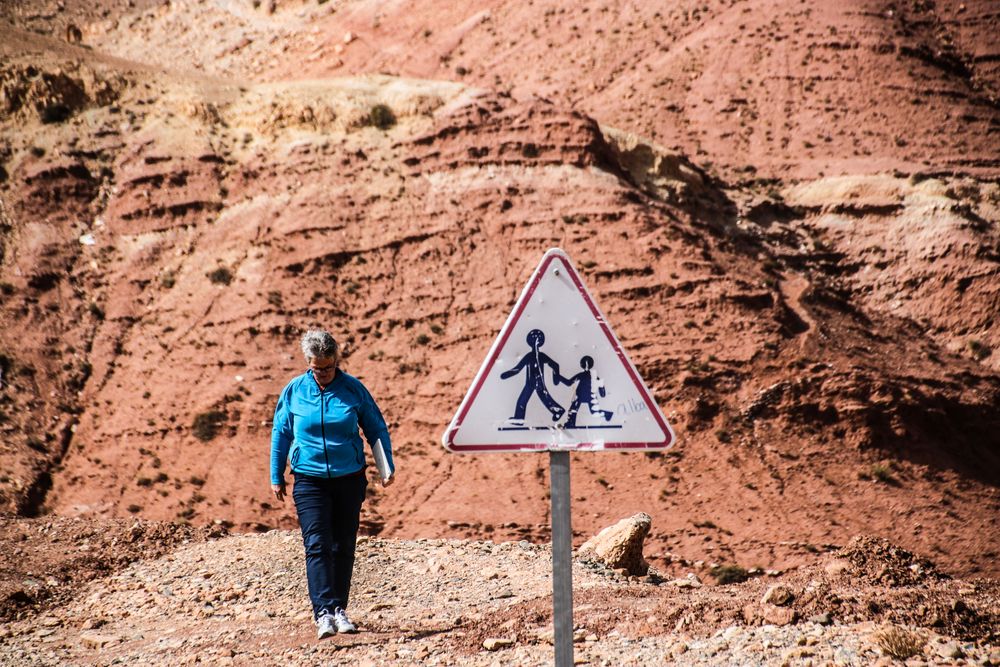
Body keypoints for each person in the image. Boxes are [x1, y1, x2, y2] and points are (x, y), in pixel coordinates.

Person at [270, 329, 395, 639]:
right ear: (308, 364)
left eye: (328, 367)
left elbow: (375, 427)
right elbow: (281, 432)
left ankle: (340, 608)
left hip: (349, 478)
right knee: (317, 544)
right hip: (309, 478)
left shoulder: (353, 390)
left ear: (337, 361)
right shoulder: (295, 391)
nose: (324, 374)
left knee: (343, 544)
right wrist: (276, 474)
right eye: (317, 368)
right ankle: (323, 612)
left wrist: (385, 466)